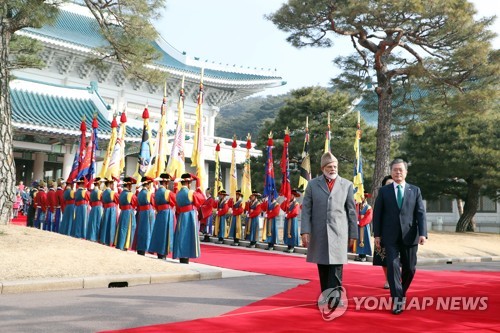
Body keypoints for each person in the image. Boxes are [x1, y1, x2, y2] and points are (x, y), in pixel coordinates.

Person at [300, 152, 357, 306]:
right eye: (329, 166)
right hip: (319, 232)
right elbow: (306, 209)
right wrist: (305, 231)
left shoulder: (347, 185)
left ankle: (336, 298)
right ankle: (326, 296)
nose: (333, 169)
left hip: (339, 233)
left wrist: (354, 234)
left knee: (336, 267)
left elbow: (351, 211)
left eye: (335, 166)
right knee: (323, 266)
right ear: (323, 168)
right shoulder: (312, 185)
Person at [373, 158, 427, 315]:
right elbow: (378, 214)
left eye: (400, 170)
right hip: (390, 237)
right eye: (395, 170)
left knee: (409, 268)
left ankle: (401, 293)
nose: (398, 172)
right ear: (391, 172)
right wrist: (377, 235)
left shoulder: (414, 190)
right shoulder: (384, 191)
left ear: (406, 172)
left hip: (410, 236)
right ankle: (397, 301)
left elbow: (420, 213)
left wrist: (423, 233)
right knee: (393, 266)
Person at [173, 173, 205, 264]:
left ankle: (181, 255)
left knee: (181, 235)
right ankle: (186, 256)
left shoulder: (178, 193)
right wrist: (198, 187)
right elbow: (201, 199)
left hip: (182, 215)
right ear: (188, 183)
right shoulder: (190, 192)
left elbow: (177, 207)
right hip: (189, 215)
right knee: (188, 236)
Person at [372, 175, 394, 289]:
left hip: (398, 233)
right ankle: (388, 279)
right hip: (384, 232)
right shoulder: (381, 196)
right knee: (384, 258)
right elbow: (377, 215)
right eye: (388, 184)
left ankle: (395, 278)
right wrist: (377, 234)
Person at [148, 173, 176, 259]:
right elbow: (175, 200)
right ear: (166, 183)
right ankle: (163, 252)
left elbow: (155, 204)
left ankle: (159, 251)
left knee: (159, 232)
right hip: (166, 213)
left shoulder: (156, 192)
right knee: (165, 233)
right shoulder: (167, 192)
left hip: (160, 213)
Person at [115, 177, 138, 251]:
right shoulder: (130, 194)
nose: (131, 187)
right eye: (131, 185)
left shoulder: (121, 193)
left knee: (121, 228)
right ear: (128, 185)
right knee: (128, 228)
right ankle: (124, 245)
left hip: (123, 212)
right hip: (128, 212)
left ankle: (120, 244)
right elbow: (136, 202)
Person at [135, 176, 156, 255]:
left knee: (141, 230)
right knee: (148, 230)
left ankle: (140, 248)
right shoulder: (148, 193)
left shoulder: (140, 193)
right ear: (147, 184)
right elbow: (154, 202)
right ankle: (146, 247)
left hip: (142, 212)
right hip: (148, 212)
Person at [99, 178, 119, 246]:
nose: (113, 186)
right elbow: (117, 200)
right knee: (111, 225)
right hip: (112, 209)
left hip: (106, 209)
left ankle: (103, 239)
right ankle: (110, 240)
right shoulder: (113, 193)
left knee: (105, 224)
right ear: (110, 184)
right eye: (112, 184)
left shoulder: (103, 192)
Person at [354, 193, 373, 262]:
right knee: (358, 240)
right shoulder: (358, 206)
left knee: (364, 240)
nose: (361, 198)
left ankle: (364, 256)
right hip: (358, 226)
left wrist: (361, 222)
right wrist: (356, 221)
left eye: (362, 197)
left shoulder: (368, 207)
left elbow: (369, 217)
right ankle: (359, 255)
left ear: (365, 198)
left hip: (364, 226)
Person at [281, 189, 302, 253]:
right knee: (287, 231)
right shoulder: (288, 203)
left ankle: (292, 247)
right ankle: (288, 246)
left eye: (291, 195)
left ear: (294, 196)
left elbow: (295, 212)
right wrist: (285, 200)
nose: (289, 196)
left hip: (293, 220)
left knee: (292, 232)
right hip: (287, 219)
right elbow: (282, 207)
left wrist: (288, 215)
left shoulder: (296, 204)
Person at [87, 178, 103, 242]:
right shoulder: (100, 192)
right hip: (99, 207)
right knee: (98, 222)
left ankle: (91, 236)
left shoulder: (92, 192)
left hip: (93, 208)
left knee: (92, 222)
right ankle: (96, 237)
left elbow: (90, 202)